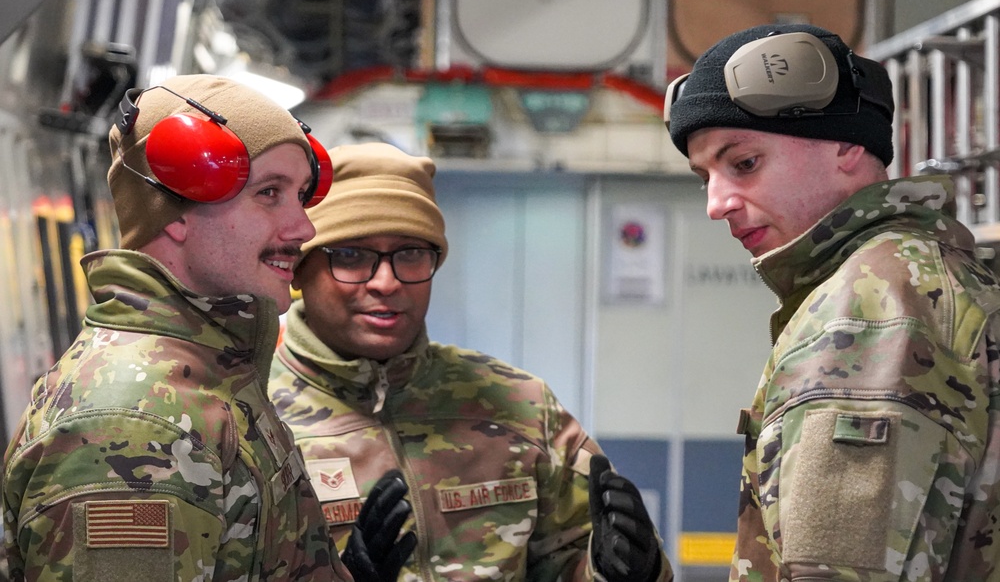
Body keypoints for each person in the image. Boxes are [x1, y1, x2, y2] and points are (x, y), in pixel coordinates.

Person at [1, 75, 408, 581]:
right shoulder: (136, 421)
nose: (303, 228)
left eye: (300, 196)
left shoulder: (212, 378)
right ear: (175, 214)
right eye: (269, 194)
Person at [664, 23, 1000, 581]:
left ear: (846, 145)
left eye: (743, 163)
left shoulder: (872, 308)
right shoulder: (931, 273)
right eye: (705, 177)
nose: (717, 203)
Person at [268, 141, 673, 581]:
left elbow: (571, 561)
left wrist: (626, 573)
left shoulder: (518, 406)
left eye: (410, 253)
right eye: (350, 255)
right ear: (299, 269)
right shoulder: (250, 418)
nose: (386, 281)